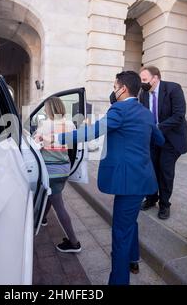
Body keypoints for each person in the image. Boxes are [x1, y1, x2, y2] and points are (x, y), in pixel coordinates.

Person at [53, 71, 165, 285]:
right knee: (129, 221)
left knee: (120, 234)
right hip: (141, 178)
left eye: (115, 87)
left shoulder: (120, 110)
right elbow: (159, 140)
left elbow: (91, 132)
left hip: (128, 182)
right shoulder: (146, 113)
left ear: (123, 89)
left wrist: (57, 137)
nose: (113, 91)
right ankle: (133, 258)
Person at [139, 66, 187, 220]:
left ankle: (164, 204)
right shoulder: (144, 95)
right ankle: (151, 198)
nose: (142, 83)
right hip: (154, 139)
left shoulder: (173, 89)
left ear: (155, 78)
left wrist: (157, 127)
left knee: (165, 171)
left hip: (172, 139)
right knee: (151, 169)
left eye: (144, 79)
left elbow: (179, 115)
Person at [33, 96, 82, 253]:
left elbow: (36, 144)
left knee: (58, 204)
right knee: (52, 195)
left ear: (49, 109)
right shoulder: (69, 124)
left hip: (51, 171)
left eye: (46, 108)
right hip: (64, 169)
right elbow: (72, 144)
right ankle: (43, 218)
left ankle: (74, 243)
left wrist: (41, 139)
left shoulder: (44, 125)